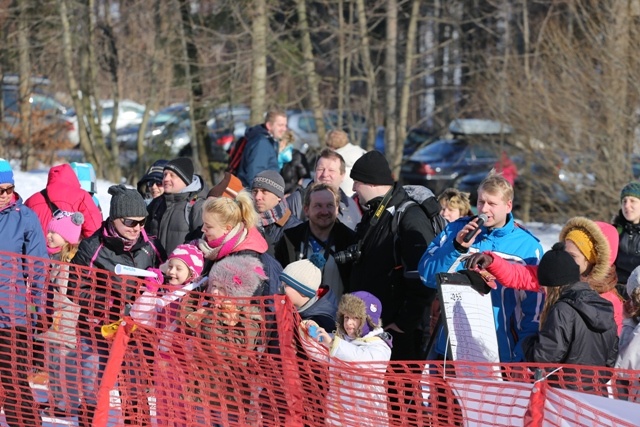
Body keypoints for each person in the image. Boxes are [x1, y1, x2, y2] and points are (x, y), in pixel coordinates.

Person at [69, 184, 166, 427]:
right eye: (131, 223)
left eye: (142, 222)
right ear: (114, 219)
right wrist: (110, 303)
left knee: (135, 389)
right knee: (94, 388)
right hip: (97, 330)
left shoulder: (150, 246)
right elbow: (74, 288)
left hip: (136, 332)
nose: (137, 229)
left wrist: (160, 281)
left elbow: (166, 278)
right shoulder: (92, 247)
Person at [419, 173, 543, 363]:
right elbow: (427, 277)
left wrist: (521, 355)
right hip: (452, 347)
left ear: (508, 205)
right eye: (481, 202)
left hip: (500, 352)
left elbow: (534, 310)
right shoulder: (456, 230)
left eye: (492, 204)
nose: (484, 209)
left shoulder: (527, 246)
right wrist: (457, 247)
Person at [465, 217, 624, 336]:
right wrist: (492, 261)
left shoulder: (609, 301)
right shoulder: (557, 273)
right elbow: (521, 275)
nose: (565, 260)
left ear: (593, 262)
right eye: (564, 252)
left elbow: (608, 346)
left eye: (573, 257)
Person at [351, 150, 439, 361]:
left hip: (400, 334)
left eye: (357, 182)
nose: (354, 189)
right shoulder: (376, 213)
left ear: (371, 182)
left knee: (399, 393)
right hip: (375, 328)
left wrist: (403, 324)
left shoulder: (408, 216)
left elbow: (423, 278)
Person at [519, 243, 618, 392]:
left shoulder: (563, 310)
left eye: (543, 287)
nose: (543, 291)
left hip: (565, 397)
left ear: (552, 285)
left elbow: (543, 359)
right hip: (596, 396)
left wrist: (527, 341)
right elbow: (611, 359)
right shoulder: (603, 306)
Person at [182, 255, 268, 426]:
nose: (214, 292)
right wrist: (195, 290)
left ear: (237, 292)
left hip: (232, 394)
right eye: (213, 286)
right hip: (204, 390)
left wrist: (214, 316)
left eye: (222, 288)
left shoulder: (249, 318)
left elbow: (228, 348)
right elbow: (185, 320)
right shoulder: (206, 311)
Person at [130, 243, 205, 427]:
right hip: (162, 358)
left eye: (179, 268)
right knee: (163, 401)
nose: (172, 271)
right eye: (170, 266)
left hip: (184, 361)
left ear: (192, 273)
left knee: (183, 403)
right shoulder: (162, 292)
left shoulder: (196, 296)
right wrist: (150, 291)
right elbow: (140, 316)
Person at [0, 158, 47, 427]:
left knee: (14, 378)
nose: (6, 195)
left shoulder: (24, 216)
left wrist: (40, 309)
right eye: (0, 190)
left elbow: (38, 267)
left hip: (11, 314)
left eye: (10, 189)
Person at [300, 291, 392, 427]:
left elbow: (362, 360)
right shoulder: (341, 340)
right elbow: (319, 353)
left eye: (355, 318)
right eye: (346, 317)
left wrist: (332, 344)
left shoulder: (379, 345)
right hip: (336, 415)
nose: (349, 323)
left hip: (365, 418)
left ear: (368, 320)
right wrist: (309, 331)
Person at [275, 183, 357, 300]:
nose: (324, 212)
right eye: (318, 206)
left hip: (336, 316)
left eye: (330, 205)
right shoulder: (290, 239)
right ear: (306, 209)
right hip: (297, 315)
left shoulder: (350, 241)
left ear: (337, 209)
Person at [39, 211, 84, 418]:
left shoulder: (66, 264)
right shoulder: (53, 258)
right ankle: (55, 400)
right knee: (53, 364)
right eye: (48, 231)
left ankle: (69, 404)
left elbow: (66, 295)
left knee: (65, 366)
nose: (48, 235)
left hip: (64, 323)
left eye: (53, 233)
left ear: (67, 239)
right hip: (52, 322)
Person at [197, 189, 269, 279]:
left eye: (209, 226)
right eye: (203, 223)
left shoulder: (246, 256)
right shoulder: (207, 246)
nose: (203, 229)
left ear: (228, 228)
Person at [286, 148, 362, 230]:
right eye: (320, 169)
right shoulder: (296, 200)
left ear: (342, 175)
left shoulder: (351, 206)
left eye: (331, 170)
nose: (325, 174)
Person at [146, 157, 209, 254]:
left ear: (185, 180)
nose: (166, 179)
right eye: (165, 175)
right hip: (155, 267)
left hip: (180, 267)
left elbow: (204, 244)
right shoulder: (157, 203)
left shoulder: (197, 206)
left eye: (172, 175)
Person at [25, 163, 103, 239]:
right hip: (69, 250)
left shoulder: (31, 200)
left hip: (35, 250)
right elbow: (95, 233)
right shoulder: (82, 197)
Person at [252, 170, 301, 255]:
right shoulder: (246, 221)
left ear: (278, 196)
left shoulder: (294, 228)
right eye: (255, 191)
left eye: (264, 192)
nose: (257, 197)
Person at [280, 258, 337, 331]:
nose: (280, 288)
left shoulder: (322, 322)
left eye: (286, 285)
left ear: (303, 292)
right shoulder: (292, 308)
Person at [237, 108, 288, 187]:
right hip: (255, 194)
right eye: (280, 125)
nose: (284, 129)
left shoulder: (271, 141)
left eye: (285, 125)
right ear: (269, 126)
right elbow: (255, 175)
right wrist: (260, 196)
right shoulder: (261, 143)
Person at [613, 181, 640, 299]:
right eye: (624, 201)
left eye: (632, 201)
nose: (627, 205)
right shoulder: (615, 231)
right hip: (617, 290)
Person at [324, 129, 366, 197]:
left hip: (343, 196)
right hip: (361, 194)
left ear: (331, 144)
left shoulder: (335, 158)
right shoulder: (361, 152)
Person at [279, 130, 311, 194]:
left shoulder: (297, 156)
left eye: (278, 140)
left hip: (291, 195)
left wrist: (291, 194)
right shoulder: (272, 156)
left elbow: (305, 181)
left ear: (284, 142)